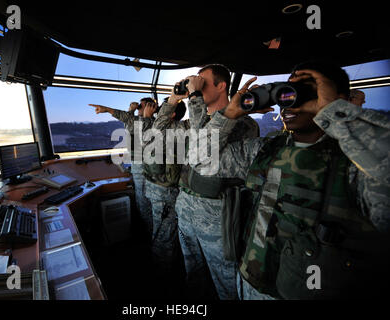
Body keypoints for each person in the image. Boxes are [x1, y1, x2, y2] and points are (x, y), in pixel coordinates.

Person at [190, 60, 390, 299]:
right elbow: (200, 160)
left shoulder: (356, 163)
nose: (289, 101)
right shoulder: (265, 149)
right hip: (249, 282)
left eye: (305, 92)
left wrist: (333, 113)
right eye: (286, 93)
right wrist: (229, 113)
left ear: (336, 99)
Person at [154, 64, 259, 300]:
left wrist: (194, 96)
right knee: (193, 274)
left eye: (202, 81)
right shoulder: (191, 122)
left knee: (225, 282)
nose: (195, 84)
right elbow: (155, 134)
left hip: (217, 215)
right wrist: (173, 99)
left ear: (222, 86)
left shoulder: (243, 123)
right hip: (187, 208)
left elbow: (205, 150)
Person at [89, 98, 157, 239]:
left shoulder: (152, 123)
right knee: (142, 206)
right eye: (139, 108)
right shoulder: (142, 122)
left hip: (146, 173)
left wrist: (108, 109)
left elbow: (132, 125)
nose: (139, 110)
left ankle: (151, 239)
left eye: (142, 107)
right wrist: (132, 111)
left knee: (146, 209)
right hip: (140, 170)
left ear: (152, 108)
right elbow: (129, 127)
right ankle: (148, 237)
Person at [142, 98, 187, 296]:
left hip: (158, 191)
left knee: (161, 235)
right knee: (165, 236)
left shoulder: (161, 129)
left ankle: (162, 278)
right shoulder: (179, 130)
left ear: (171, 114)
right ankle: (164, 278)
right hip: (166, 192)